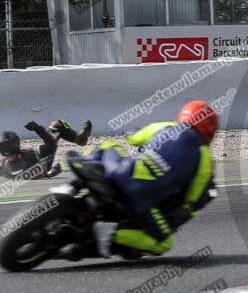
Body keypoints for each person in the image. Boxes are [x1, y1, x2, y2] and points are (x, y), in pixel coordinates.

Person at [86, 101, 217, 258]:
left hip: (119, 171)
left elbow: (133, 138)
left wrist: (132, 132)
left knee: (108, 145)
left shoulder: (166, 126)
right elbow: (193, 200)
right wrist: (186, 210)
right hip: (142, 198)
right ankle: (110, 232)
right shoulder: (205, 158)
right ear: (209, 128)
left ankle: (70, 186)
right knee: (163, 243)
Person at [0, 119, 92, 179]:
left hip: (43, 167)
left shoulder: (3, 165)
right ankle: (79, 139)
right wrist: (37, 128)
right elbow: (51, 145)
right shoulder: (29, 155)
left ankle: (79, 139)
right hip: (45, 162)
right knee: (56, 124)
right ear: (16, 143)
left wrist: (51, 173)